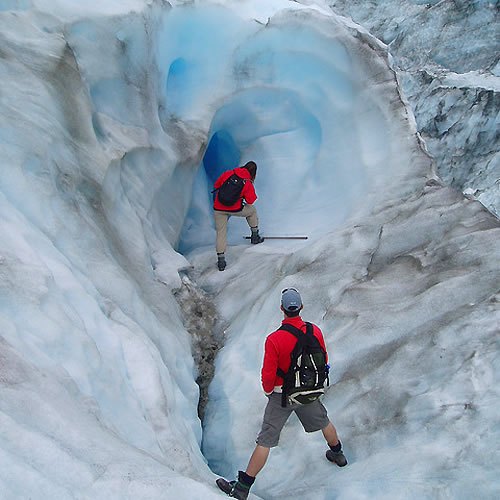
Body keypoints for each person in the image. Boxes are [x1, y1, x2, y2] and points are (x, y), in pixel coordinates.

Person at [216, 288, 347, 499]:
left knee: (265, 440)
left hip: (281, 396)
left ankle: (242, 487)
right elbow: (323, 358)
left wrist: (269, 391)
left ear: (282, 309)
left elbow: (268, 373)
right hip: (308, 391)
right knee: (324, 421)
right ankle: (338, 454)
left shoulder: (274, 339)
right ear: (301, 308)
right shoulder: (315, 331)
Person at [213, 161, 264, 271]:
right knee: (252, 211)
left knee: (221, 232)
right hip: (235, 209)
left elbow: (216, 185)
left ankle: (221, 261)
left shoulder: (228, 173)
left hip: (218, 208)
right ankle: (255, 236)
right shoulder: (247, 182)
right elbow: (251, 201)